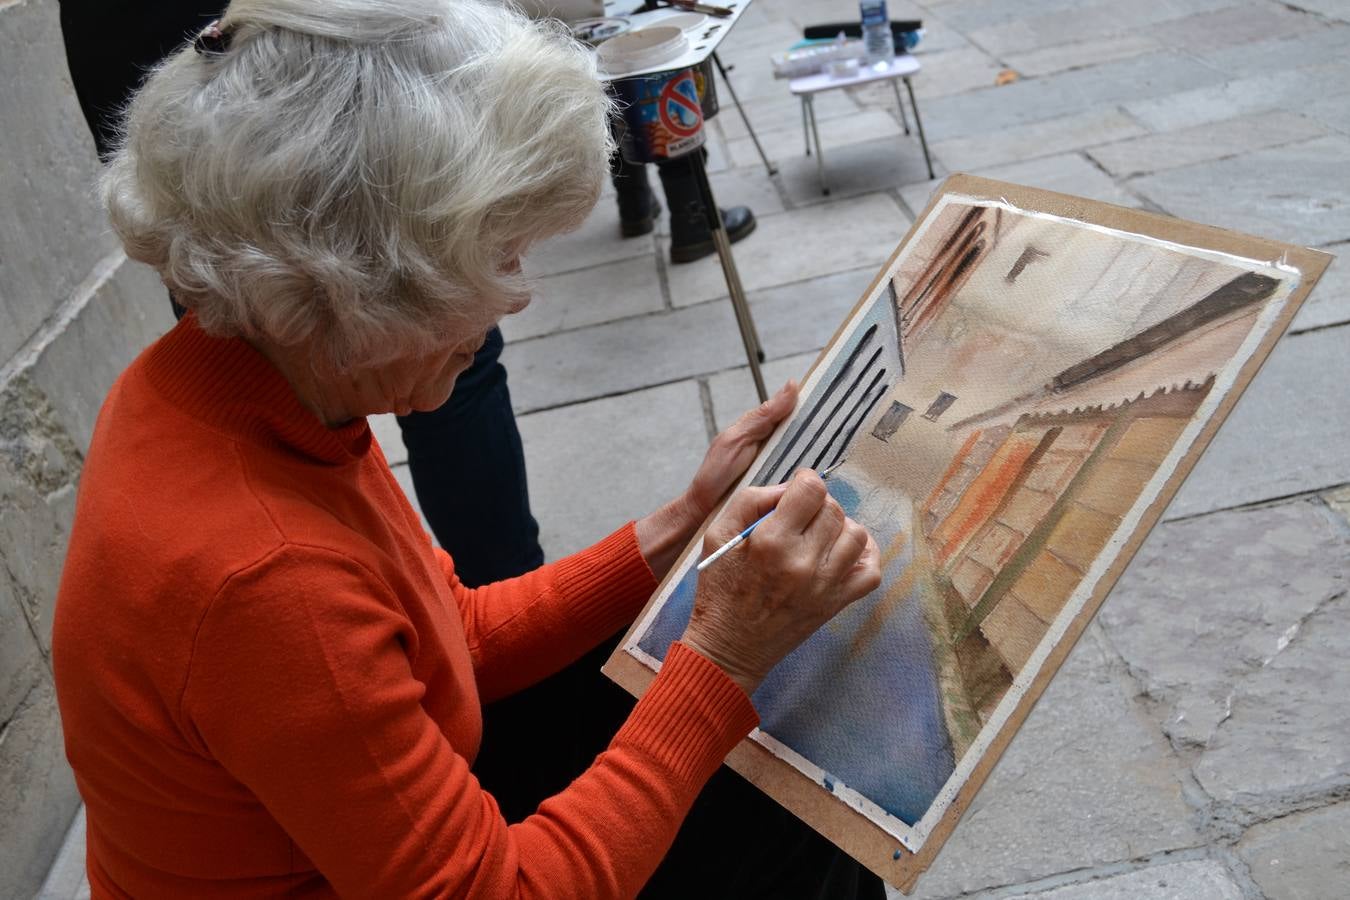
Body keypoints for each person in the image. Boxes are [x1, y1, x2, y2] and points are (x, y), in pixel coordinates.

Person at [51, 2, 883, 897]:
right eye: (500, 256)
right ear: (357, 279)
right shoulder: (267, 579)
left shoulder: (246, 381)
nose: (516, 299)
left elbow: (448, 631)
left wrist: (681, 528)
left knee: (773, 765)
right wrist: (721, 658)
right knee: (786, 811)